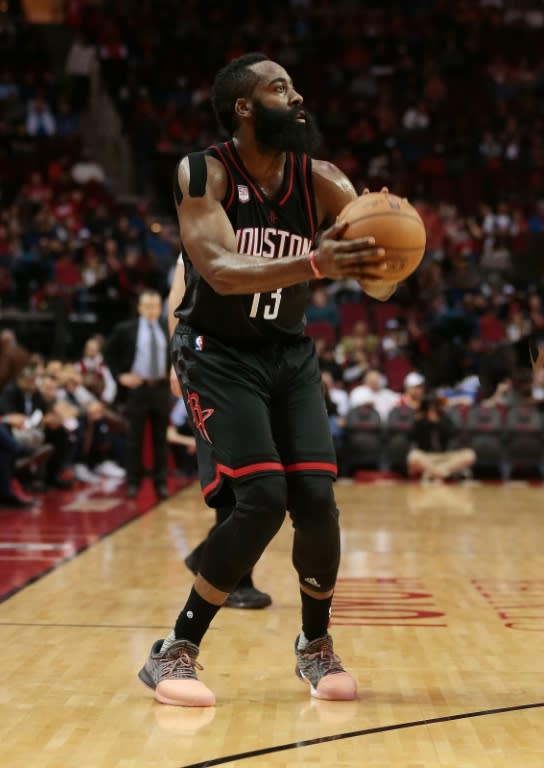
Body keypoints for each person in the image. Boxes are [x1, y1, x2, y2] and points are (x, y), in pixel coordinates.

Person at [138, 52, 396, 708]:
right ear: (246, 107)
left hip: (288, 356)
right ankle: (176, 653)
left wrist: (387, 257)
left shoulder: (325, 180)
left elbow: (385, 277)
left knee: (315, 498)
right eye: (281, 87)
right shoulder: (203, 172)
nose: (298, 95)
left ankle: (316, 648)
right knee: (260, 500)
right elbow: (220, 269)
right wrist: (317, 261)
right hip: (216, 353)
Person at [167, 255, 272, 610]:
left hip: (263, 365)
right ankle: (235, 578)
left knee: (267, 481)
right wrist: (175, 364)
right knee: (236, 477)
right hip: (212, 364)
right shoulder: (204, 231)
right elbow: (178, 299)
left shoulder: (271, 232)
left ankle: (207, 557)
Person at [104, 290, 171, 499]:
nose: (153, 310)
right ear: (140, 308)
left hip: (160, 387)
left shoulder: (167, 327)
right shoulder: (126, 329)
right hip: (138, 389)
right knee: (134, 439)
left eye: (156, 306)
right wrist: (119, 376)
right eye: (148, 306)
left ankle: (161, 483)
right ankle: (133, 482)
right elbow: (108, 352)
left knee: (161, 439)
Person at [407, 395, 476, 482]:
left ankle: (433, 473)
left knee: (469, 454)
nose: (432, 410)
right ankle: (444, 473)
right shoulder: (420, 421)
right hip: (427, 456)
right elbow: (410, 437)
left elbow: (452, 433)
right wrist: (420, 420)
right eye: (429, 407)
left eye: (434, 407)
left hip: (445, 456)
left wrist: (438, 422)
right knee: (413, 456)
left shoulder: (444, 418)